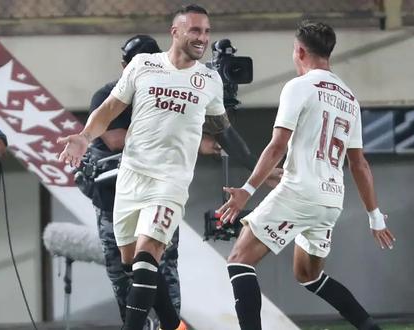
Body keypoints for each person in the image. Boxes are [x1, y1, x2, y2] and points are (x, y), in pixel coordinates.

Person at [59, 4, 280, 330]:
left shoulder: (208, 79)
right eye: (195, 30)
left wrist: (257, 170)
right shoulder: (143, 67)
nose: (203, 38)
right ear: (175, 32)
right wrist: (83, 136)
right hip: (130, 181)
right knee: (132, 264)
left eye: (206, 31)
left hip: (170, 182)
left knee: (150, 255)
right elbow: (109, 108)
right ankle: (173, 324)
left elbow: (223, 132)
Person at [217, 21, 395, 330]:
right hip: (330, 200)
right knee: (308, 275)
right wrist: (374, 215)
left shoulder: (298, 87)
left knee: (239, 259)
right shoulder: (349, 97)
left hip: (299, 194)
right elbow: (359, 164)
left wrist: (247, 189)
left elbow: (277, 146)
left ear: (300, 51)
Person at [85, 35, 188, 328]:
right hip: (114, 199)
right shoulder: (108, 94)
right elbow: (115, 139)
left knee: (162, 266)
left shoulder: (169, 92)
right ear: (125, 66)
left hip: (158, 193)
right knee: (122, 272)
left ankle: (169, 324)